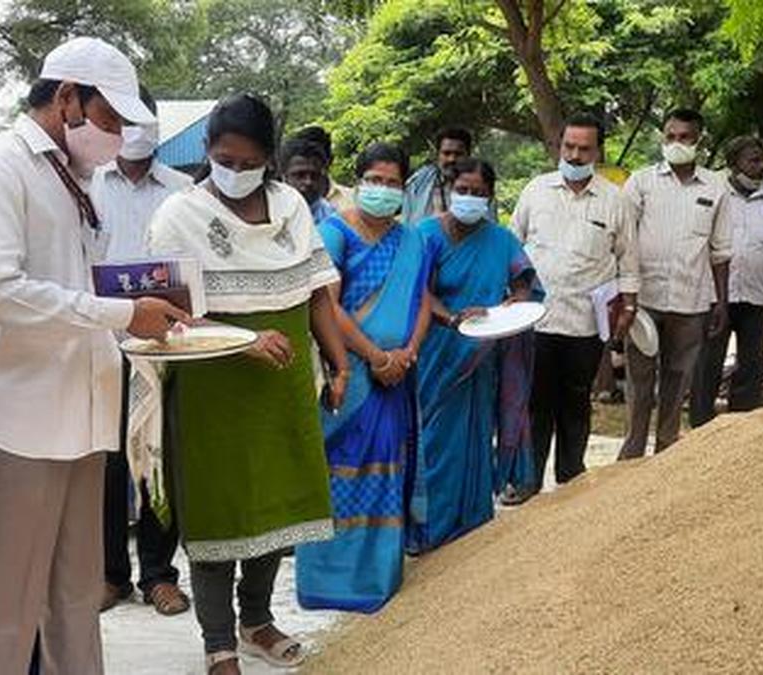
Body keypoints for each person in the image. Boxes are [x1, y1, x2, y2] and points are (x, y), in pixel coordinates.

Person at [0, 37, 185, 675]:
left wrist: (153, 310)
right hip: (11, 425)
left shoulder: (80, 180)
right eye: (109, 120)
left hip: (79, 421)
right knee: (1, 606)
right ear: (67, 97)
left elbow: (88, 284)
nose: (116, 136)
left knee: (75, 599)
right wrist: (122, 313)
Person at [147, 94, 349, 675]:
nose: (233, 171)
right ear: (208, 152)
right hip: (214, 390)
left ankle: (256, 620)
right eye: (222, 159)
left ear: (269, 158)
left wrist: (340, 364)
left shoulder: (291, 207)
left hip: (283, 387)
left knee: (276, 507)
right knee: (222, 510)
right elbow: (167, 312)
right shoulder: (177, 216)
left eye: (246, 161)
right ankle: (218, 642)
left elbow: (316, 293)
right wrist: (244, 339)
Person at [296, 142, 431, 612]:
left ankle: (379, 577)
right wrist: (375, 357)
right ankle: (331, 582)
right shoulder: (334, 233)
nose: (384, 190)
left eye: (393, 183)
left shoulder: (412, 240)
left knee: (386, 473)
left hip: (397, 375)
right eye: (374, 180)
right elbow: (327, 304)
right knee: (340, 474)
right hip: (348, 376)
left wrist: (407, 353)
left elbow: (424, 300)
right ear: (357, 182)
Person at [88, 86, 192, 615]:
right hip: (101, 342)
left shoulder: (182, 190)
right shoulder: (86, 184)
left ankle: (159, 574)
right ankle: (110, 574)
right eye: (122, 120)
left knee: (161, 457)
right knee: (105, 461)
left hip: (164, 347)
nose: (134, 131)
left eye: (142, 119)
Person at [409, 157, 543, 552]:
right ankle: (425, 530)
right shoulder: (425, 235)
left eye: (479, 193)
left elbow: (526, 287)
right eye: (463, 191)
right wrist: (451, 319)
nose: (470, 198)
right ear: (449, 190)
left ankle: (470, 528)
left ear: (490, 196)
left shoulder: (501, 239)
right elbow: (417, 292)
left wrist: (504, 312)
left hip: (482, 357)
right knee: (430, 439)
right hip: (435, 351)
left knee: (474, 436)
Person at [512, 112, 639, 490]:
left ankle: (571, 482)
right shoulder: (536, 190)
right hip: (537, 320)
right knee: (536, 405)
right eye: (569, 146)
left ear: (598, 152)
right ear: (560, 146)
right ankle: (528, 482)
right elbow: (511, 246)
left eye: (585, 149)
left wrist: (628, 308)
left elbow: (628, 261)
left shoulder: (615, 201)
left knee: (576, 402)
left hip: (587, 323)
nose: (576, 155)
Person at [618, 109, 731, 460]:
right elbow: (623, 241)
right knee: (639, 378)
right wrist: (626, 298)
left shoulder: (716, 186)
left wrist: (721, 303)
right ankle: (633, 450)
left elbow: (721, 252)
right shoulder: (640, 182)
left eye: (685, 137)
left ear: (699, 140)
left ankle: (666, 447)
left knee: (678, 377)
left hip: (692, 301)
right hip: (645, 300)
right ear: (662, 138)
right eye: (670, 136)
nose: (676, 143)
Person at [689, 136, 763, 427]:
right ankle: (700, 427)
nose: (760, 167)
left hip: (756, 301)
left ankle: (740, 430)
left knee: (751, 367)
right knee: (707, 365)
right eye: (753, 161)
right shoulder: (714, 199)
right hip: (715, 299)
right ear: (734, 164)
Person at [403, 127, 473, 225]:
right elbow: (408, 222)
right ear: (437, 155)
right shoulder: (418, 182)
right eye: (446, 153)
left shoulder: (480, 186)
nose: (451, 159)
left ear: (468, 155)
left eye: (458, 154)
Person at [293, 125, 355, 211]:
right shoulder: (284, 204)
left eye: (317, 156)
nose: (308, 181)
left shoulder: (353, 201)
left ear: (330, 160)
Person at [279, 135, 336, 224]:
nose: (308, 182)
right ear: (284, 177)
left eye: (315, 175)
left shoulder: (333, 219)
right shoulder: (268, 214)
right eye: (300, 175)